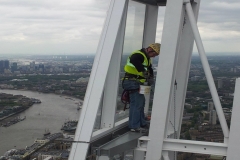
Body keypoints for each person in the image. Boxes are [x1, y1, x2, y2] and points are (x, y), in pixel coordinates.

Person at [122, 43, 160, 132]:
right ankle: (134, 126)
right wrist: (143, 71)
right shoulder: (139, 54)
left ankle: (142, 123)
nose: (154, 56)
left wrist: (150, 77)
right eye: (154, 54)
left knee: (140, 103)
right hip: (132, 81)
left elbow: (149, 68)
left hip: (135, 82)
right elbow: (134, 60)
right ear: (150, 50)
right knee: (137, 104)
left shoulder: (146, 58)